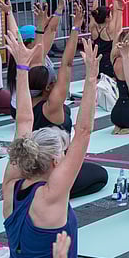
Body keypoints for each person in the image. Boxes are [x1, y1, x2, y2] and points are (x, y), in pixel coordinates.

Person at [0, 27, 121, 258]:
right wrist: (91, 77)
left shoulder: (10, 184)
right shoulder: (53, 196)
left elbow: (25, 119)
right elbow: (83, 132)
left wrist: (23, 67)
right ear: (55, 161)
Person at [29, 19, 109, 199]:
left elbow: (37, 57)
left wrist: (43, 29)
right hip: (54, 168)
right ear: (48, 87)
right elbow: (67, 64)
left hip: (34, 166)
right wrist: (75, 28)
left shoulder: (25, 103)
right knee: (100, 176)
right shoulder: (51, 107)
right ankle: (62, 191)